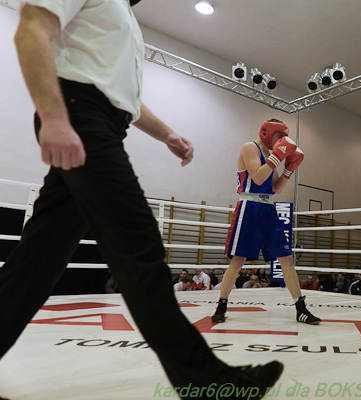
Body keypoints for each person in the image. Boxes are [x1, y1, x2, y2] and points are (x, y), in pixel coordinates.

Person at [0, 1, 283, 398]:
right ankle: (203, 380)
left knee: (37, 260)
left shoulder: (123, 16)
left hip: (97, 120)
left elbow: (119, 94)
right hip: (80, 116)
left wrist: (168, 134)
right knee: (138, 246)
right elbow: (30, 29)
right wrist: (54, 116)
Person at [211, 119, 320, 325]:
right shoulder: (249, 148)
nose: (282, 141)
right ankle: (221, 306)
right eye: (280, 136)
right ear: (267, 132)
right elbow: (258, 178)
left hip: (269, 208)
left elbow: (276, 188)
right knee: (238, 261)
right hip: (249, 207)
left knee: (286, 260)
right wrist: (276, 157)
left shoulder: (271, 155)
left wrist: (288, 169)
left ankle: (301, 309)